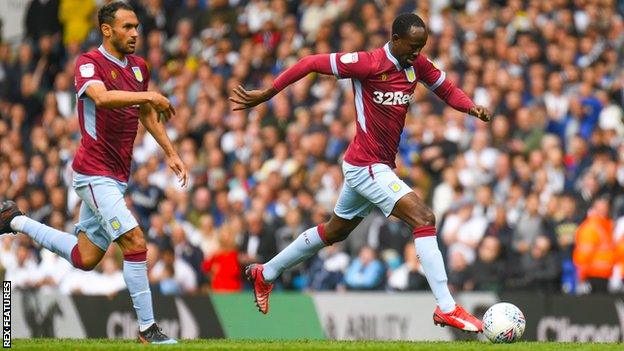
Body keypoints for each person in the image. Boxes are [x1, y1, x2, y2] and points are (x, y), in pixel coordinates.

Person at [230, 13, 490, 333]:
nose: (417, 52)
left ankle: (265, 273)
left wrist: (470, 107)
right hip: (366, 165)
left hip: (373, 165)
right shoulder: (367, 63)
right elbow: (311, 61)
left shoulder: (417, 64)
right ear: (395, 39)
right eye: (412, 45)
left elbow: (447, 90)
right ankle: (447, 307)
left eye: (422, 46)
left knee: (335, 231)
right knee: (424, 218)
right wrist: (269, 92)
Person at [0, 1, 187, 344]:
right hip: (92, 171)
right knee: (134, 241)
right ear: (107, 29)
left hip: (117, 175)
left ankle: (14, 220)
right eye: (127, 27)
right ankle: (148, 329)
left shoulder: (139, 67)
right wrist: (149, 94)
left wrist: (171, 152)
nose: (135, 33)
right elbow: (100, 99)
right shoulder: (88, 63)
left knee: (84, 258)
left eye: (136, 27)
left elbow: (146, 112)